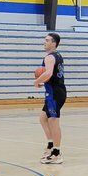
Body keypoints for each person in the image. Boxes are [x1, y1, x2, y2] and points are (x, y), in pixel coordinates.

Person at [34, 32, 65, 164]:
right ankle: (51, 144)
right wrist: (43, 82)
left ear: (53, 43)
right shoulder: (57, 56)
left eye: (47, 40)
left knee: (53, 121)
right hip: (55, 92)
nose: (44, 42)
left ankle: (57, 153)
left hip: (55, 93)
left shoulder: (50, 57)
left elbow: (48, 73)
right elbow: (52, 75)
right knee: (43, 118)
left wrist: (37, 81)